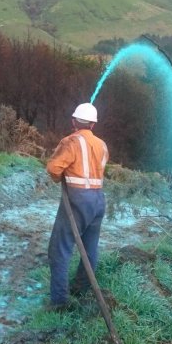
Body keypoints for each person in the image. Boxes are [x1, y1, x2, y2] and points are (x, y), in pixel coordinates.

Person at [45, 102, 109, 310]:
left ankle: (59, 302)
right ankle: (81, 289)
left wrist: (59, 177)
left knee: (60, 249)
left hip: (77, 200)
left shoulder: (71, 141)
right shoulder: (102, 145)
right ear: (93, 124)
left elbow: (54, 168)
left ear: (74, 121)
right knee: (89, 249)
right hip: (98, 200)